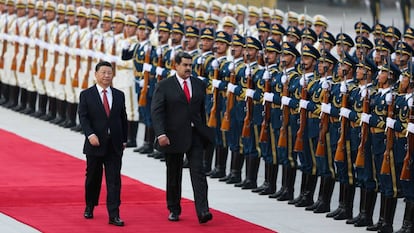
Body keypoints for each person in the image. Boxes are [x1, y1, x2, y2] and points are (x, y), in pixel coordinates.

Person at [151, 52, 214, 224]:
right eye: (185, 65)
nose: (188, 69)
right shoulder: (164, 86)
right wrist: (161, 134)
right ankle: (174, 208)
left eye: (190, 65)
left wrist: (203, 129)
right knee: (174, 173)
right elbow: (157, 112)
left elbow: (201, 111)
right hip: (173, 136)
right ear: (175, 66)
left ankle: (203, 210)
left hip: (194, 135)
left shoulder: (199, 84)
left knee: (198, 172)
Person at [78, 61, 128, 227]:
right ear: (96, 74)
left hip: (114, 144)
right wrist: (90, 134)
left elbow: (123, 118)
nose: (107, 76)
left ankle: (114, 214)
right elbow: (83, 117)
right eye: (103, 73)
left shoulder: (119, 95)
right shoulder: (86, 95)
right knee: (93, 177)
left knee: (114, 180)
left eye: (109, 73)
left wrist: (124, 139)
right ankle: (90, 205)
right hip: (95, 143)